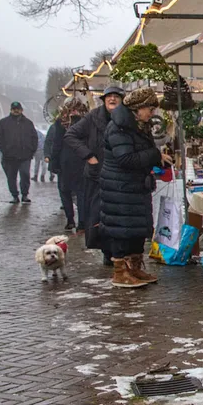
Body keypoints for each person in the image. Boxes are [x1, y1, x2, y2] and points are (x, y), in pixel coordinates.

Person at [100, 87, 164, 288]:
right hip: (119, 187)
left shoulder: (137, 125)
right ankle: (120, 272)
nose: (152, 114)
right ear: (138, 108)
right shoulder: (119, 127)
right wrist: (155, 155)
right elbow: (126, 158)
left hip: (134, 185)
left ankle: (135, 267)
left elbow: (140, 151)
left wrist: (158, 158)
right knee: (122, 228)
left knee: (136, 228)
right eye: (150, 109)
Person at [67, 85, 123, 263]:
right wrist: (89, 156)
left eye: (116, 96)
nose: (112, 99)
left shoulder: (126, 117)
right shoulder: (93, 117)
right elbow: (71, 135)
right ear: (104, 100)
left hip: (120, 173)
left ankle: (119, 251)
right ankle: (106, 251)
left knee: (118, 214)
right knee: (98, 214)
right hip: (97, 174)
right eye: (109, 97)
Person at [48, 100, 88, 230]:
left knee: (65, 191)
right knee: (81, 193)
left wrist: (54, 162)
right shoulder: (87, 121)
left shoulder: (62, 122)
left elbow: (57, 143)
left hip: (65, 162)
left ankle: (70, 219)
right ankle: (82, 222)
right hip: (82, 160)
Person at [0, 101, 37, 203]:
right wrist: (5, 150)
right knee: (11, 177)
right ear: (11, 110)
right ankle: (14, 195)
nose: (16, 111)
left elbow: (34, 138)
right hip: (9, 156)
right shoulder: (2, 123)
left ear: (21, 110)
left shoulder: (28, 123)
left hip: (25, 155)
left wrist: (31, 150)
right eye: (14, 109)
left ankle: (25, 194)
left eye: (18, 109)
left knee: (25, 174)